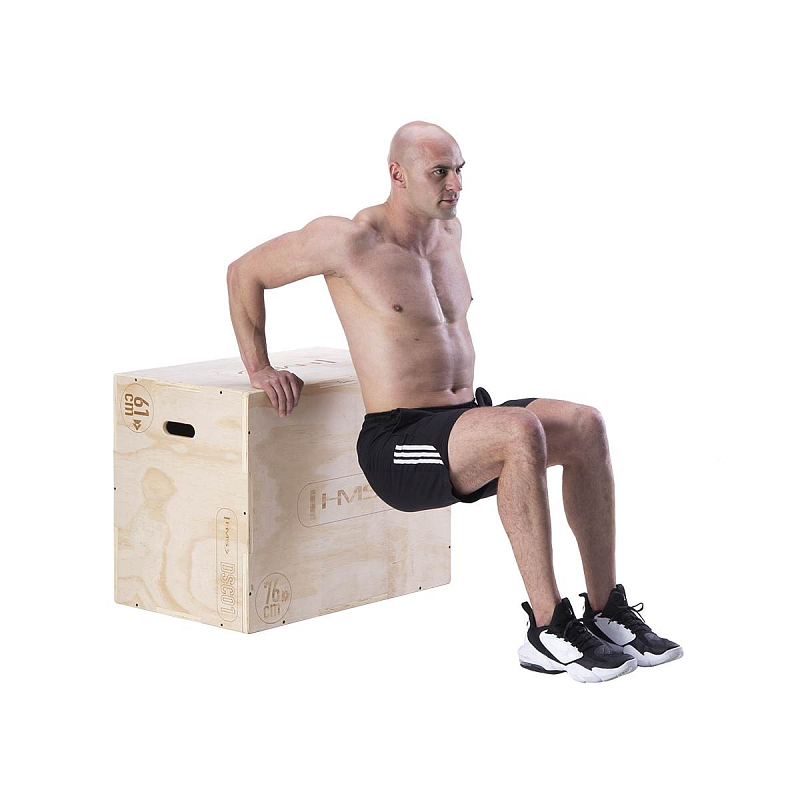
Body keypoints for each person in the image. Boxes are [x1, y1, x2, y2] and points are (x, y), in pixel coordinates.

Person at [226, 120, 682, 683]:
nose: (456, 184)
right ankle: (547, 629)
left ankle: (606, 610)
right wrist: (260, 367)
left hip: (465, 421)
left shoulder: (449, 233)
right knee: (518, 430)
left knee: (586, 424)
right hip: (399, 442)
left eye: (460, 170)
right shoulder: (347, 241)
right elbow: (244, 273)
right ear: (397, 175)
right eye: (439, 172)